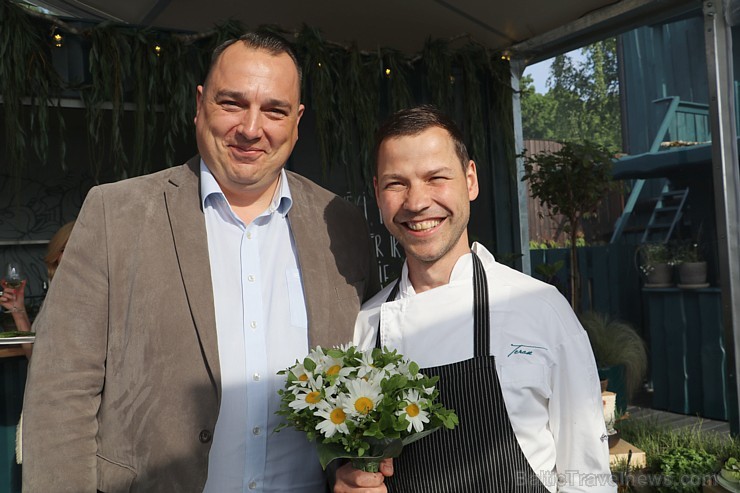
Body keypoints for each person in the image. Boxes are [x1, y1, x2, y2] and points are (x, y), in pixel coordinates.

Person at [22, 32, 379, 493]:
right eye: (232, 103)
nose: (252, 129)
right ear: (200, 103)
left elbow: (362, 379)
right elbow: (61, 388)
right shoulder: (116, 214)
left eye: (274, 110)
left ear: (296, 120)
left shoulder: (342, 226)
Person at [335, 105, 615, 492]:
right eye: (396, 183)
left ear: (470, 180)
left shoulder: (539, 308)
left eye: (436, 177)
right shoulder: (367, 325)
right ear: (378, 194)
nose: (416, 202)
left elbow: (589, 479)